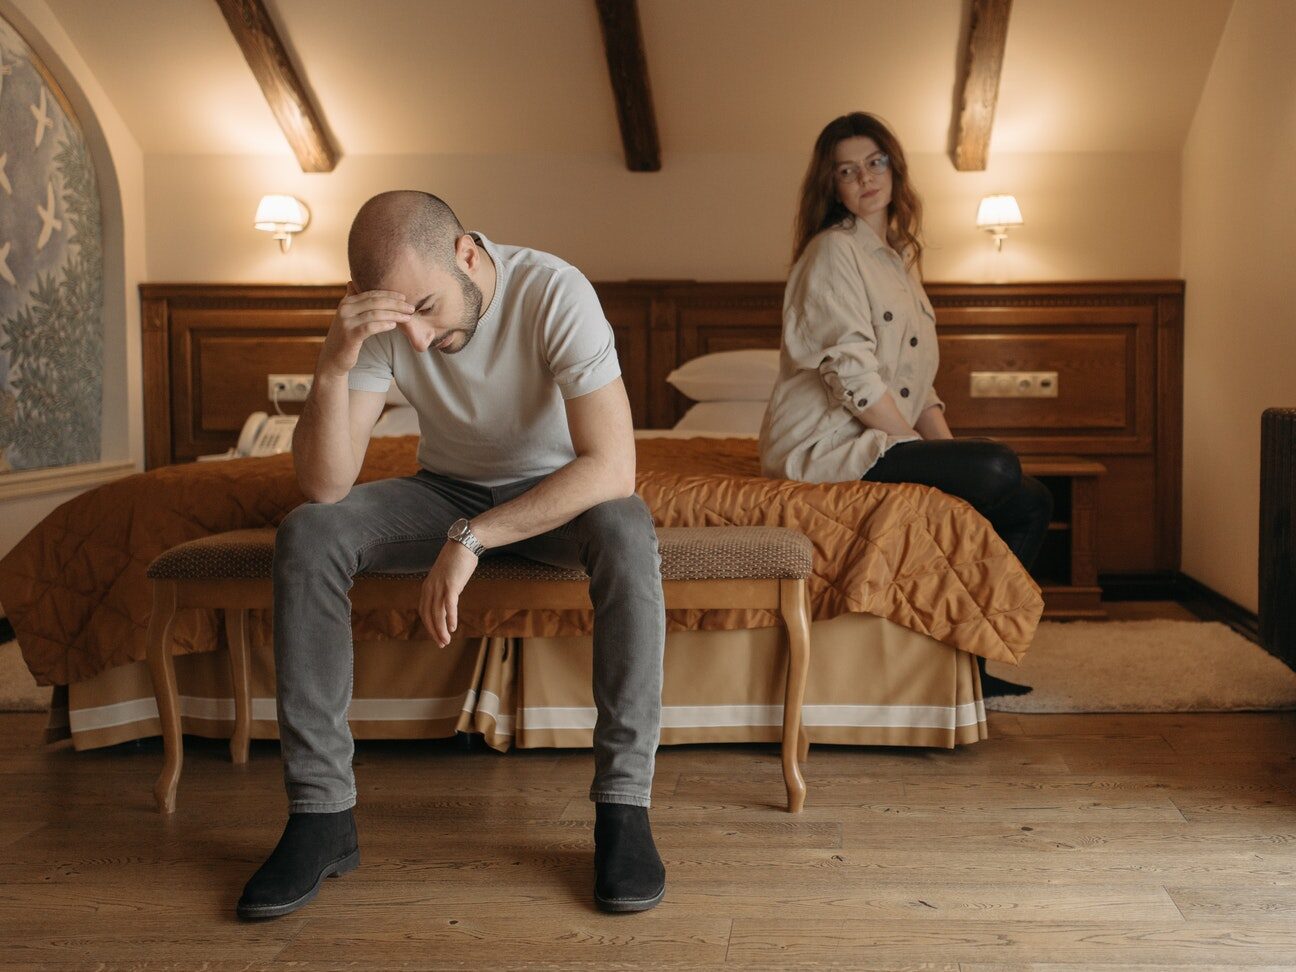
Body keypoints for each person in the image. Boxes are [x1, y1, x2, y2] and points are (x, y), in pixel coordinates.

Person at [237, 191, 667, 919]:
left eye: (428, 309)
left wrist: (474, 538)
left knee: (627, 527)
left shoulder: (554, 292)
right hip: (444, 489)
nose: (417, 339)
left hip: (557, 494)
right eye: (397, 320)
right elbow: (325, 485)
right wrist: (334, 364)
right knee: (308, 533)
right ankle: (321, 815)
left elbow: (613, 466)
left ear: (467, 254)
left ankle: (624, 809)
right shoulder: (389, 321)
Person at [760, 112, 1052, 699]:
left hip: (881, 434)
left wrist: (951, 460)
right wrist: (922, 454)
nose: (865, 178)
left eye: (875, 163)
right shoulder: (831, 252)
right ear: (832, 186)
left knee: (1030, 499)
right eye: (847, 170)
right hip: (829, 445)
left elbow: (919, 390)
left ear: (894, 170)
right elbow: (851, 374)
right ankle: (951, 663)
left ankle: (970, 664)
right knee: (996, 467)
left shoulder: (897, 261)